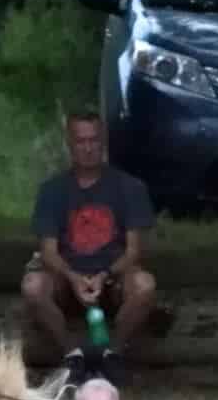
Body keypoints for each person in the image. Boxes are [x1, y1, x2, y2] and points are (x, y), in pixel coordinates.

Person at [23, 112, 159, 378]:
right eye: (80, 141)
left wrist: (104, 275)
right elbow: (48, 251)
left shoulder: (130, 187)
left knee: (145, 285)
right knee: (33, 286)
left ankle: (113, 353)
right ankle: (72, 354)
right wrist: (74, 278)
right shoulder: (52, 190)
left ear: (103, 142)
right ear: (69, 144)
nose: (88, 148)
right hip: (66, 278)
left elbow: (133, 251)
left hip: (113, 277)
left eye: (94, 140)